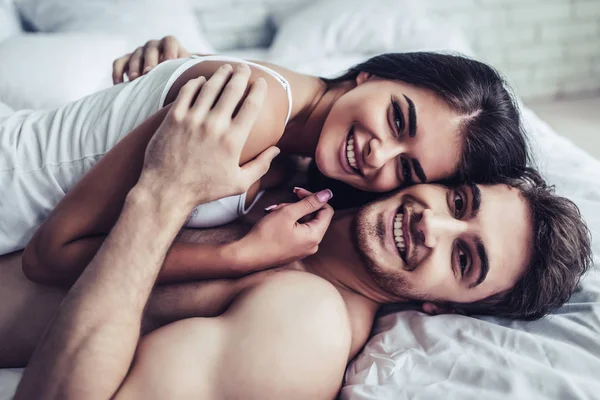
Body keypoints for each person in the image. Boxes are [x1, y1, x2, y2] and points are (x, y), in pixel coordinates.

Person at [8, 62, 592, 398]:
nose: (431, 223)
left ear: (444, 308)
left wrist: (165, 190)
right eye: (458, 200)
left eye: (463, 259)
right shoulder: (315, 190)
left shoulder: (306, 324)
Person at [3, 35, 528, 269]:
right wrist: (238, 254)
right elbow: (50, 257)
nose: (378, 153)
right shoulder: (253, 113)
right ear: (372, 73)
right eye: (397, 117)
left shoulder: (291, 150)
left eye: (407, 167)